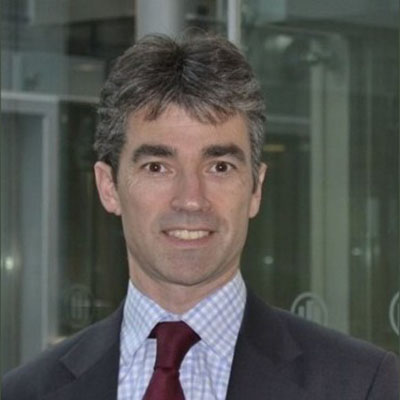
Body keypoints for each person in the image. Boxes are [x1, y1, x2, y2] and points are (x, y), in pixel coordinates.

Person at [2, 33, 399, 400]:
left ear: (256, 189)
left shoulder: (362, 384)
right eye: (158, 166)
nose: (191, 200)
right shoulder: (27, 391)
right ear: (109, 187)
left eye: (220, 167)